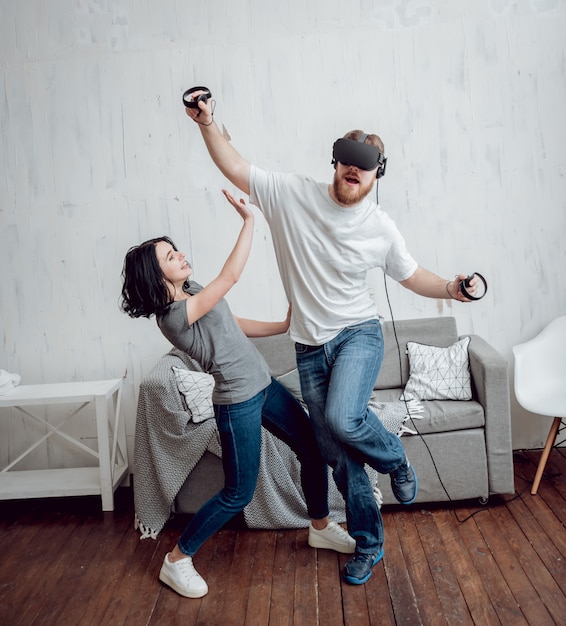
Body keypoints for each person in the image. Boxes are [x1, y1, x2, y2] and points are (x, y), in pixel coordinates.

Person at [185, 93, 480, 585]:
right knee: (337, 456)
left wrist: (452, 288)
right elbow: (233, 164)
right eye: (346, 162)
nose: (352, 172)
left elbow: (412, 275)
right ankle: (369, 544)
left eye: (363, 168)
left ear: (376, 175)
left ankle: (396, 458)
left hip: (358, 336)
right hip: (308, 346)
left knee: (345, 418)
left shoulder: (380, 229)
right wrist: (207, 122)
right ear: (336, 162)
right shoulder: (291, 194)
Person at [120, 189, 355, 599]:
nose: (180, 256)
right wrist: (249, 222)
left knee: (313, 450)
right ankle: (176, 560)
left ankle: (319, 526)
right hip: (237, 402)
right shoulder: (173, 317)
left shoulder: (192, 291)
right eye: (169, 257)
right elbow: (229, 279)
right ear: (156, 276)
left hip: (264, 386)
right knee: (238, 492)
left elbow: (231, 321)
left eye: (176, 250)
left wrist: (278, 327)